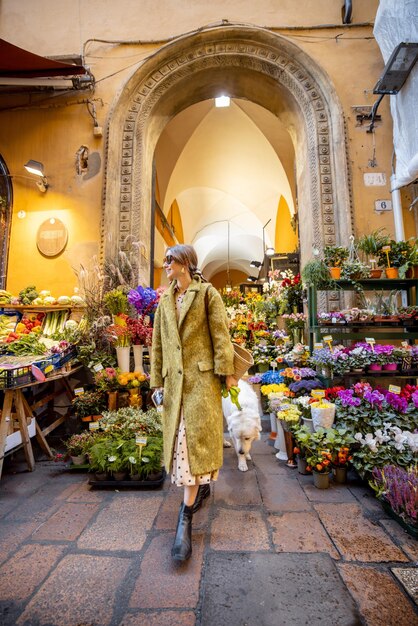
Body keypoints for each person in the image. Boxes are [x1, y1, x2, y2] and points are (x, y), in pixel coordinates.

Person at [150, 244, 237, 561]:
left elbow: (221, 335)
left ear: (185, 263)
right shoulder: (164, 299)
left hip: (201, 383)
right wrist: (156, 382)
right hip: (175, 384)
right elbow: (157, 343)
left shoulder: (207, 294)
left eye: (170, 260)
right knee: (184, 448)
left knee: (190, 444)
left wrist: (227, 375)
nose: (166, 265)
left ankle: (183, 523)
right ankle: (198, 492)